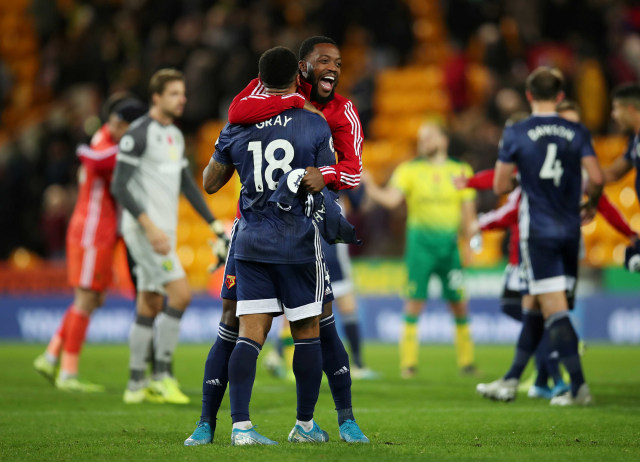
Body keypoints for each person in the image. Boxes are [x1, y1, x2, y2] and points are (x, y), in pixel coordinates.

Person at [185, 36, 369, 445]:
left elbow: (352, 172)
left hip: (261, 234)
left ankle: (333, 420)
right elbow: (240, 108)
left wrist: (329, 176)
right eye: (323, 61)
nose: (333, 68)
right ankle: (280, 424)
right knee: (262, 325)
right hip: (292, 236)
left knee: (279, 327)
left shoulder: (341, 112)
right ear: (301, 69)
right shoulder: (309, 119)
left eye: (337, 62)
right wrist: (291, 108)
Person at [474, 100, 636, 401]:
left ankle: (569, 381)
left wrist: (628, 232)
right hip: (553, 241)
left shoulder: (559, 159)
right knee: (534, 308)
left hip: (550, 240)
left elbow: (600, 195)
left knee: (549, 311)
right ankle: (529, 380)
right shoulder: (563, 155)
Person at [111, 69, 227, 404]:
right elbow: (119, 185)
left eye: (183, 93)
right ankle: (161, 375)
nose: (182, 99)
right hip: (146, 231)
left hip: (164, 231)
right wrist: (149, 227)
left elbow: (187, 186)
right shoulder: (138, 134)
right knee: (180, 293)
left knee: (149, 301)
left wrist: (213, 224)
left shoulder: (174, 136)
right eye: (175, 93)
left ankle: (136, 384)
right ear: (157, 97)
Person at [489, 67, 603, 406]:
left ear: (528, 95)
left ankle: (579, 387)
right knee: (537, 304)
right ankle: (510, 380)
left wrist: (519, 179)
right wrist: (591, 204)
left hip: (537, 231)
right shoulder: (577, 130)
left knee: (553, 308)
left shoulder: (517, 132)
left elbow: (499, 184)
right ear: (558, 96)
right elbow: (596, 177)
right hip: (570, 229)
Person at [33, 96, 147, 392]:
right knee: (86, 299)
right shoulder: (106, 148)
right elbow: (95, 158)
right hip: (93, 231)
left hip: (101, 232)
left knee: (94, 299)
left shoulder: (103, 137)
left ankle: (51, 353)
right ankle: (68, 373)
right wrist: (80, 148)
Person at [364, 122, 478, 378]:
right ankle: (408, 364)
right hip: (420, 247)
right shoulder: (409, 171)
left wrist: (469, 245)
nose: (423, 142)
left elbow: (468, 214)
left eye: (428, 137)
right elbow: (393, 200)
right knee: (414, 302)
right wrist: (370, 186)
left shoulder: (461, 170)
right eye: (421, 138)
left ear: (443, 140)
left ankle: (467, 362)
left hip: (450, 247)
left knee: (459, 303)